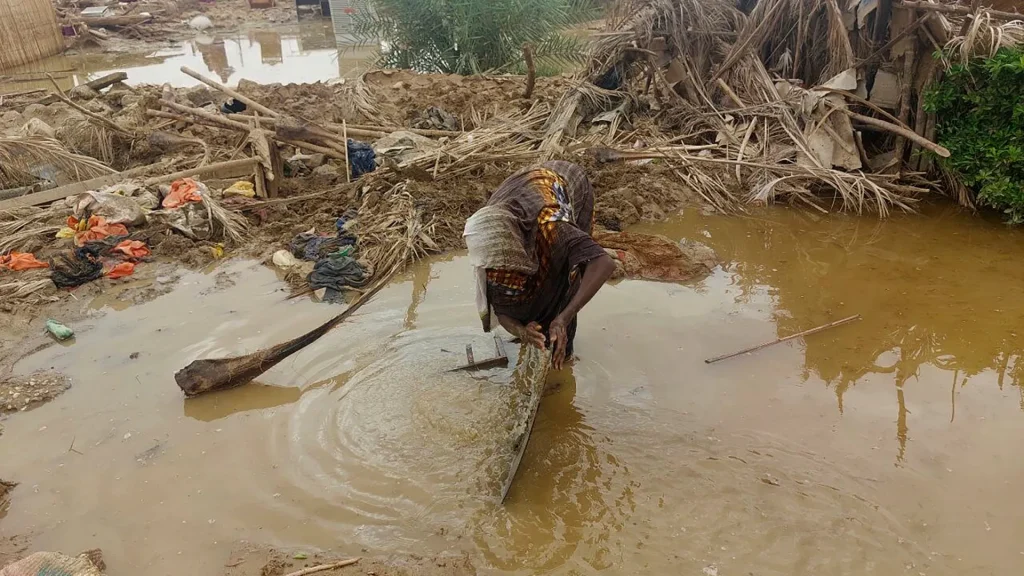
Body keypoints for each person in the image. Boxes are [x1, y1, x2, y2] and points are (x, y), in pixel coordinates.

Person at [463, 161, 615, 369]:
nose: (501, 272)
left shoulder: (552, 226)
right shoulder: (490, 249)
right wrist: (522, 331)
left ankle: (563, 345)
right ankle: (543, 330)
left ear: (515, 248)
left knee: (566, 272)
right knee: (520, 287)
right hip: (522, 191)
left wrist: (563, 318)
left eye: (506, 266)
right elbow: (502, 310)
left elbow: (603, 263)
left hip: (566, 184)